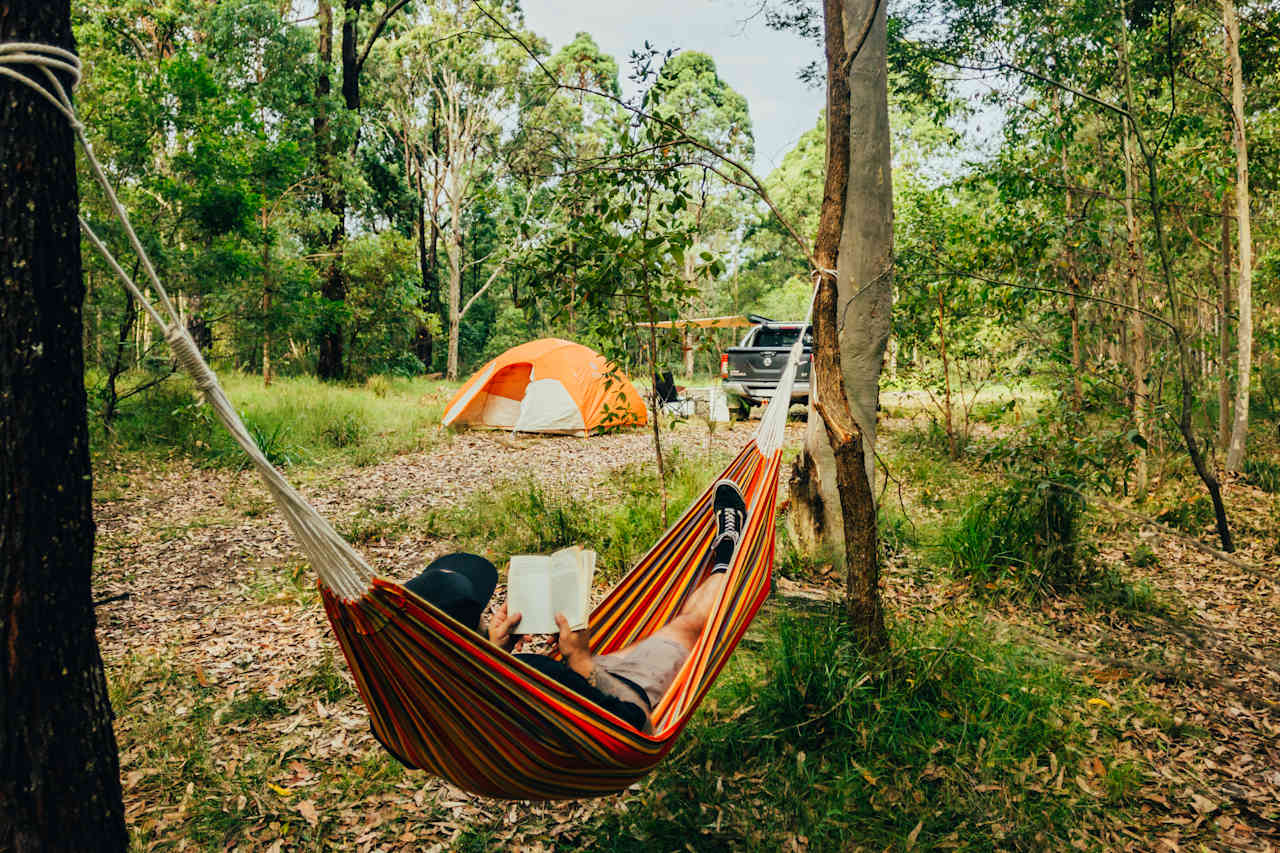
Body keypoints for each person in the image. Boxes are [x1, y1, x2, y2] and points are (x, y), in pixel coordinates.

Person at [404, 480, 748, 732]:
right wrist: (579, 660)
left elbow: (479, 699)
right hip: (592, 704)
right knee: (684, 627)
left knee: (634, 648)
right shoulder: (543, 673)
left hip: (516, 705)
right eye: (480, 611)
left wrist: (495, 657)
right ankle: (729, 556)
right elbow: (638, 724)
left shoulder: (408, 700)